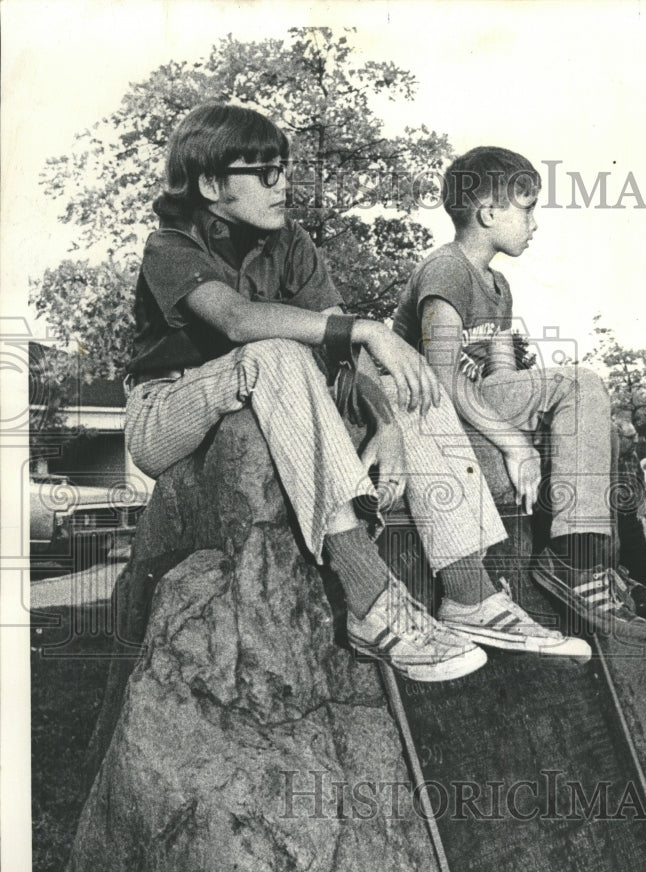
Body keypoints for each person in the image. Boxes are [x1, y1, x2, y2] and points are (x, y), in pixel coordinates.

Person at [124, 104, 591, 684]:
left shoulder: (289, 241)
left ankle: (470, 593)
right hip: (165, 412)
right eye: (266, 173)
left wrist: (388, 425)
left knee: (411, 375)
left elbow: (346, 351)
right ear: (212, 184)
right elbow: (241, 321)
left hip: (264, 392)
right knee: (278, 350)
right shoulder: (169, 245)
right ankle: (370, 602)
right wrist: (368, 328)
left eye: (285, 169)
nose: (283, 184)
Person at [392, 146, 646, 642]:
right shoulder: (447, 269)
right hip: (429, 419)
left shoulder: (498, 286)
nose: (535, 224)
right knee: (581, 383)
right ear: (488, 212)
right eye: (527, 208)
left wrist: (541, 433)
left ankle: (594, 562)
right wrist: (516, 444)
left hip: (473, 412)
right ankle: (576, 560)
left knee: (593, 423)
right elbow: (443, 380)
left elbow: (502, 381)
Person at [612, 419, 646, 615]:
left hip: (631, 517)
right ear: (617, 437)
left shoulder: (633, 456)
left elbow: (640, 482)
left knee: (641, 559)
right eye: (630, 437)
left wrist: (640, 509)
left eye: (635, 436)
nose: (635, 440)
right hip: (614, 517)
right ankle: (623, 602)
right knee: (617, 560)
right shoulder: (608, 457)